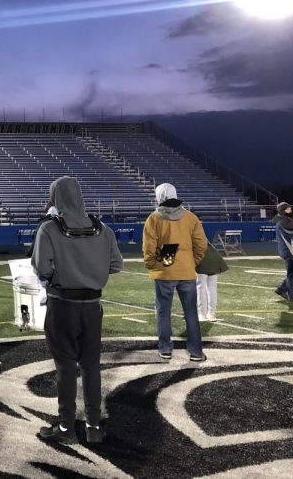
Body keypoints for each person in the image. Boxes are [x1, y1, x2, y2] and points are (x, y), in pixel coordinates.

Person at [32, 177, 123, 444]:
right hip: (92, 307)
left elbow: (42, 268)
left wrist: (66, 270)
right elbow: (116, 265)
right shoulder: (102, 228)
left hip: (62, 305)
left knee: (65, 368)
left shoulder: (49, 229)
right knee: (91, 366)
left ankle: (65, 427)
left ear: (55, 197)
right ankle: (93, 426)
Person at [143, 183, 208, 362]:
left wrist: (154, 265)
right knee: (191, 312)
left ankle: (165, 349)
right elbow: (201, 245)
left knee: (163, 312)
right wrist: (190, 261)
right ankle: (196, 351)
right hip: (186, 271)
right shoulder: (190, 217)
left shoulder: (154, 219)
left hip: (165, 270)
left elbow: (149, 248)